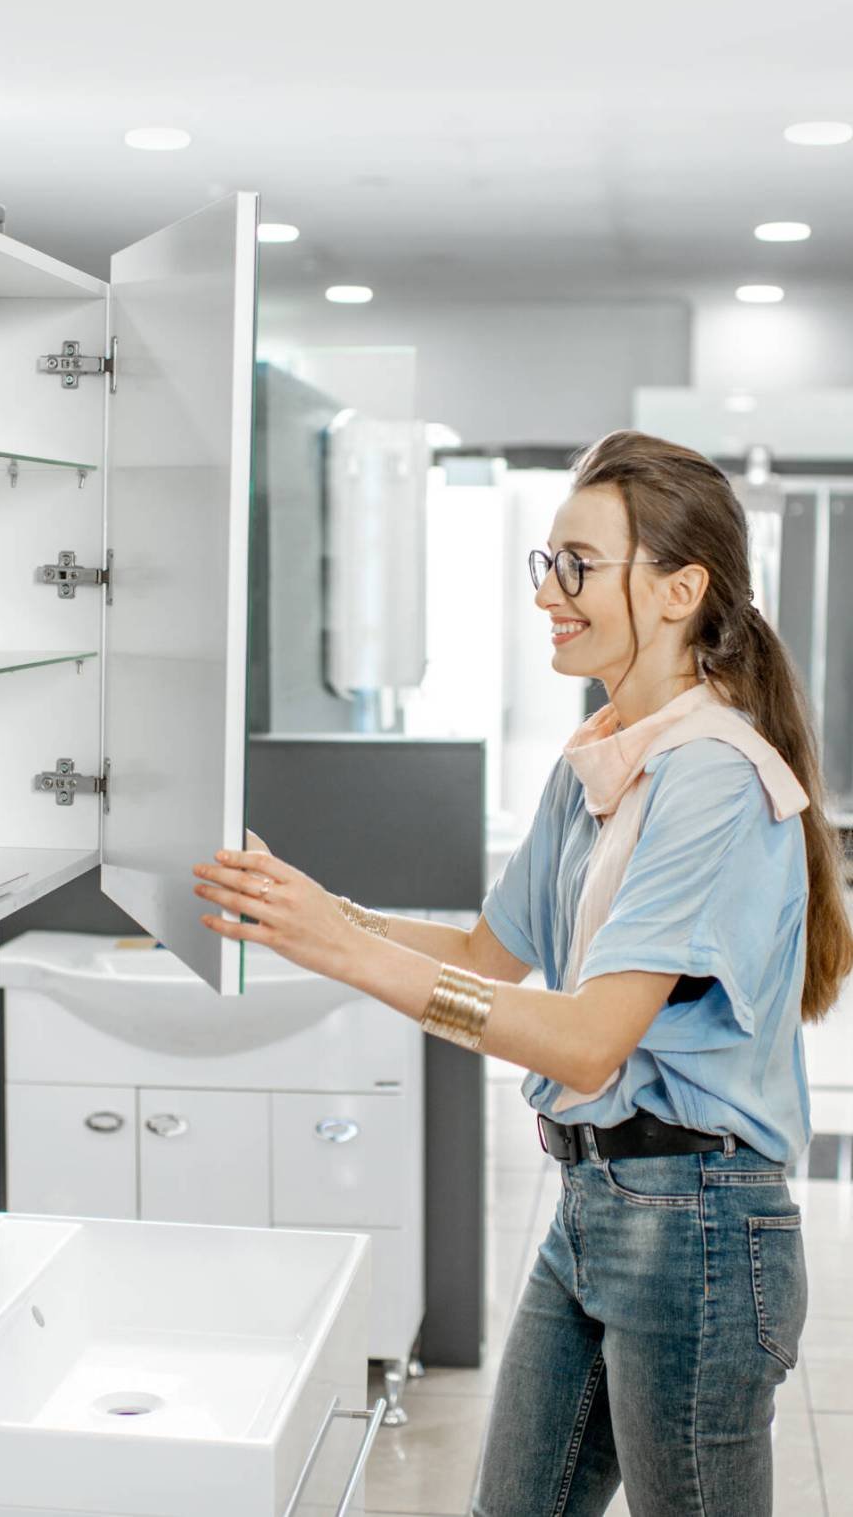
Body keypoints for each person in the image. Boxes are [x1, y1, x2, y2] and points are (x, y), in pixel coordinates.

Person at [191, 430, 853, 1517]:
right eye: (545, 562)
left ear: (680, 589)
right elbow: (480, 957)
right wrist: (310, 912)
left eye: (578, 565)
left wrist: (342, 946)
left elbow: (589, 1037)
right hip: (594, 1201)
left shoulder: (716, 781)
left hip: (697, 1225)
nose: (549, 591)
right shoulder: (597, 757)